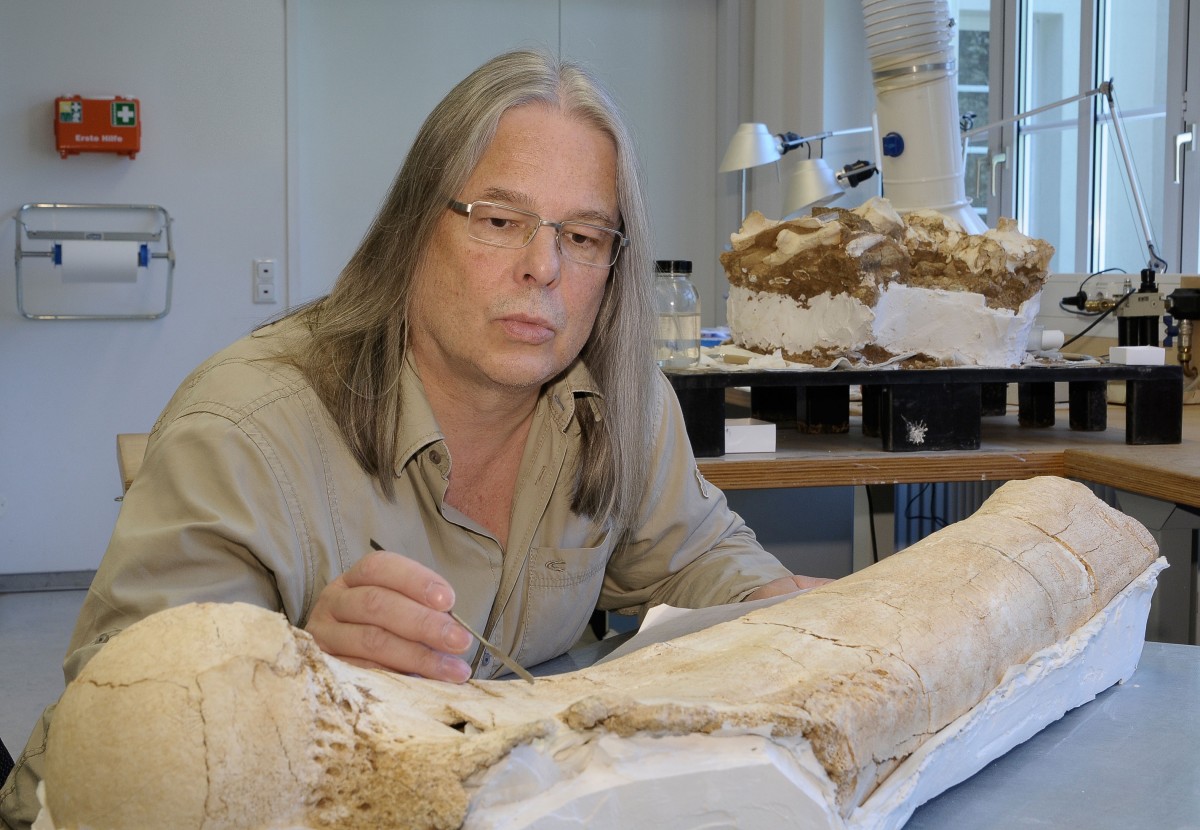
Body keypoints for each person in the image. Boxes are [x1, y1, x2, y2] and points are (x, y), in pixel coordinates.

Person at [0, 48, 827, 828]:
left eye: (582, 236)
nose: (544, 267)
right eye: (501, 219)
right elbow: (124, 727)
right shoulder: (244, 428)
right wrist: (298, 677)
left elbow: (695, 556)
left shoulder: (621, 400)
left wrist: (770, 604)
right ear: (411, 229)